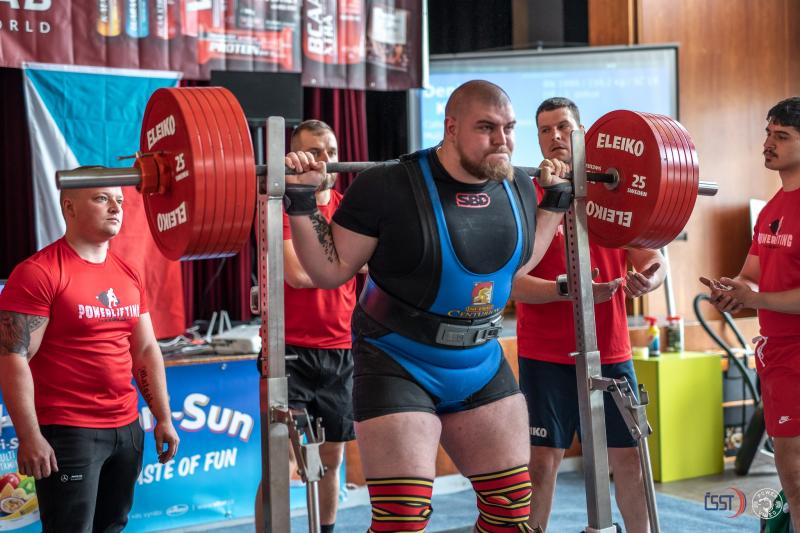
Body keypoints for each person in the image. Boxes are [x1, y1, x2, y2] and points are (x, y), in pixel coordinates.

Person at [283, 80, 570, 531]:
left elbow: (516, 261)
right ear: (451, 128)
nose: (502, 140)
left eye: (509, 128)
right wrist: (302, 201)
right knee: (401, 520)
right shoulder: (386, 185)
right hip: (398, 360)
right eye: (486, 128)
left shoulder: (517, 184)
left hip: (479, 360)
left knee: (512, 513)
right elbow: (330, 270)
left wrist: (554, 203)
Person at [512, 97, 665, 533]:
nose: (555, 136)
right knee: (541, 462)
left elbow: (653, 260)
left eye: (563, 127)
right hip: (545, 355)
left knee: (629, 460)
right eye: (545, 130)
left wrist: (648, 280)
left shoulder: (614, 191)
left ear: (582, 133)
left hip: (610, 350)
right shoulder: (528, 196)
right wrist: (569, 291)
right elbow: (511, 284)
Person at [0, 186, 179, 532]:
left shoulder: (128, 272)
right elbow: (12, 356)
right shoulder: (38, 272)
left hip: (127, 429)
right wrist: (29, 435)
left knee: (113, 526)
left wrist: (163, 417)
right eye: (101, 199)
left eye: (120, 201)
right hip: (69, 431)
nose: (116, 207)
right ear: (69, 207)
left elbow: (145, 350)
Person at [700, 96, 800, 531]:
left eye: (782, 136)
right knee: (791, 476)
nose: (768, 143)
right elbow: (752, 277)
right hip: (776, 354)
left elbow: (763, 295)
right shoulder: (772, 209)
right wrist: (732, 292)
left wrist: (755, 299)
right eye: (768, 133)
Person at [255, 120, 358, 533]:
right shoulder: (278, 206)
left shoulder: (350, 209)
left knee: (331, 460)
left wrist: (341, 263)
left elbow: (370, 264)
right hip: (289, 351)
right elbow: (297, 274)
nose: (324, 160)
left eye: (330, 151)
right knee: (281, 466)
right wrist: (343, 263)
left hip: (341, 349)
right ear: (293, 157)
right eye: (314, 152)